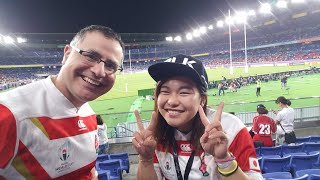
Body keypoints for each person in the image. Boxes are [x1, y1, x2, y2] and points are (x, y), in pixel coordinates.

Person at [0, 25, 124, 179]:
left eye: (111, 65)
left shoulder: (88, 113)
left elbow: (88, 173)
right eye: (90, 56)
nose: (99, 71)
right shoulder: (9, 112)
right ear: (67, 53)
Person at [132, 54, 263, 180]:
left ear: (202, 100)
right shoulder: (155, 133)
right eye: (165, 91)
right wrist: (146, 159)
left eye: (184, 92)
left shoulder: (231, 129)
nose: (172, 101)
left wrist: (224, 160)